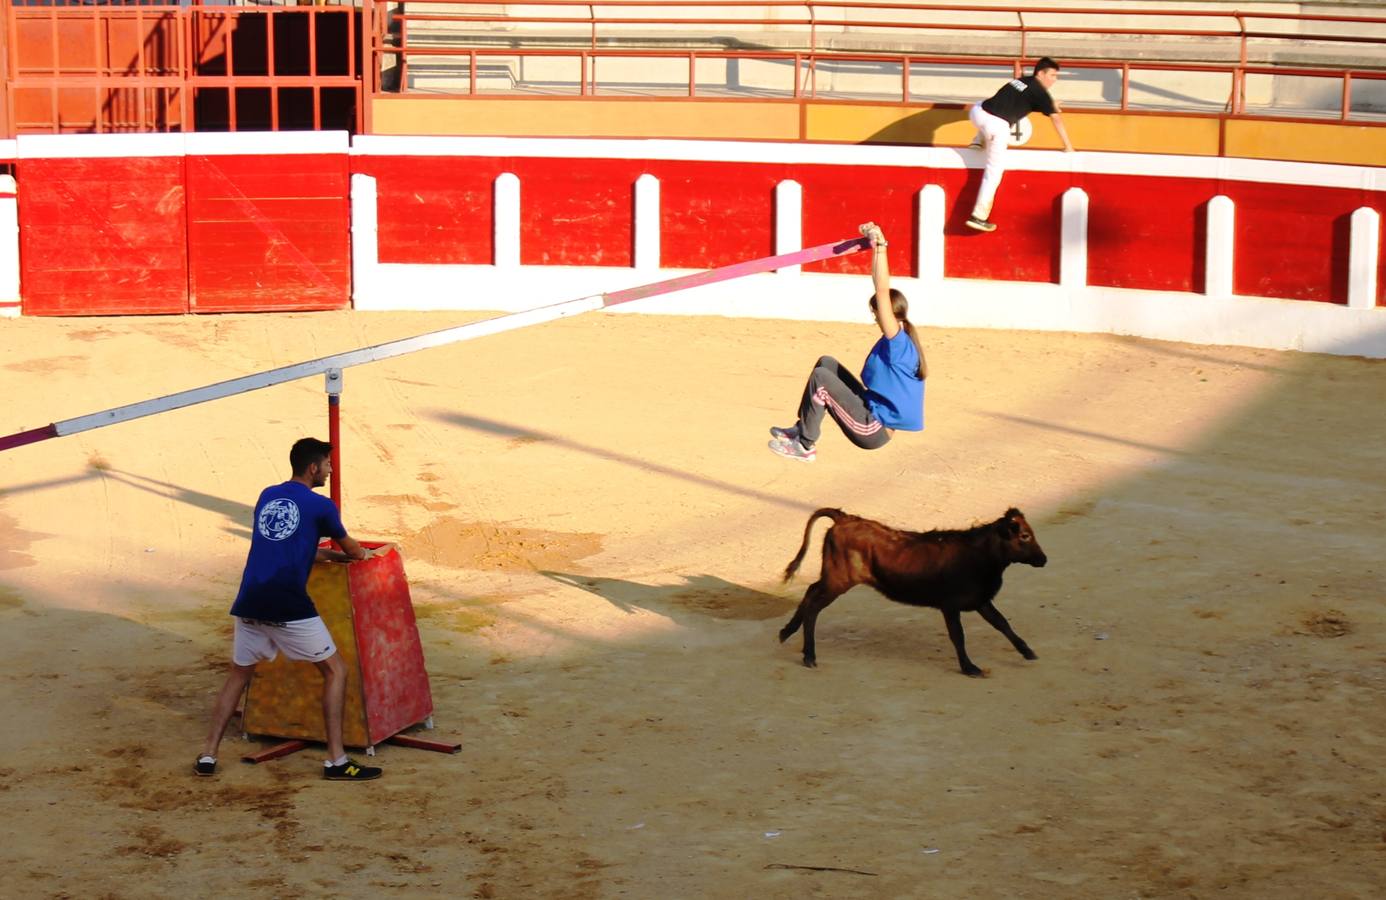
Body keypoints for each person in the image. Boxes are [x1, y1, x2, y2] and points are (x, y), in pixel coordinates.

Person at [196, 437, 381, 781]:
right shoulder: (322, 506)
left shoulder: (267, 496)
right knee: (335, 671)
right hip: (288, 604)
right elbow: (355, 550)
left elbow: (293, 547)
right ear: (313, 468)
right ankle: (337, 761)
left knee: (238, 675)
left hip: (249, 599)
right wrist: (355, 556)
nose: (329, 469)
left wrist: (329, 556)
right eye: (327, 464)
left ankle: (208, 753)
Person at [768, 223, 926, 462]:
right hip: (871, 410)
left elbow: (882, 289)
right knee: (827, 364)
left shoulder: (898, 343)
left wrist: (880, 247)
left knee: (820, 379)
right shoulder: (899, 340)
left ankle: (804, 444)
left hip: (872, 428)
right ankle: (802, 428)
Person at [965, 57, 1076, 233]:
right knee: (994, 172)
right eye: (1053, 75)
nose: (1055, 79)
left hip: (977, 113)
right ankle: (978, 216)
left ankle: (977, 141)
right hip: (996, 127)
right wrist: (1068, 146)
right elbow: (1056, 119)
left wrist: (1051, 105)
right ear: (1041, 73)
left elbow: (1026, 101)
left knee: (987, 109)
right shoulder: (1040, 92)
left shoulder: (1022, 80)